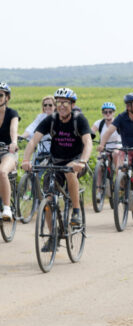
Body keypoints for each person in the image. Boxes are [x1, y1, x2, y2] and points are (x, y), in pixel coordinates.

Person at [22, 88, 93, 233]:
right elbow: (33, 141)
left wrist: (83, 162)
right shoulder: (51, 119)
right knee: (48, 200)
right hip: (55, 163)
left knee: (70, 170)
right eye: (58, 102)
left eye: (65, 102)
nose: (61, 105)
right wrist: (26, 160)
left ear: (72, 104)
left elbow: (88, 142)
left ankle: (76, 211)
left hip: (76, 162)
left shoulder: (79, 119)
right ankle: (52, 235)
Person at [98, 92, 133, 209]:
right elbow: (108, 132)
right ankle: (122, 189)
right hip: (126, 150)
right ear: (128, 107)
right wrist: (102, 145)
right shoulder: (121, 117)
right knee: (120, 168)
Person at [0, 82, 19, 221]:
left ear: (7, 97)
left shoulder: (12, 113)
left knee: (2, 172)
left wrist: (13, 142)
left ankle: (7, 208)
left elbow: (14, 129)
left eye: (0, 95)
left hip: (8, 151)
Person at [92, 102, 122, 168]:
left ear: (114, 113)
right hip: (104, 148)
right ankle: (99, 177)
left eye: (110, 112)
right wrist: (89, 139)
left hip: (117, 148)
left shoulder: (118, 123)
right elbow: (91, 132)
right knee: (99, 163)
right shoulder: (99, 123)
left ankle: (118, 177)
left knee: (115, 154)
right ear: (102, 113)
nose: (108, 114)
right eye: (105, 112)